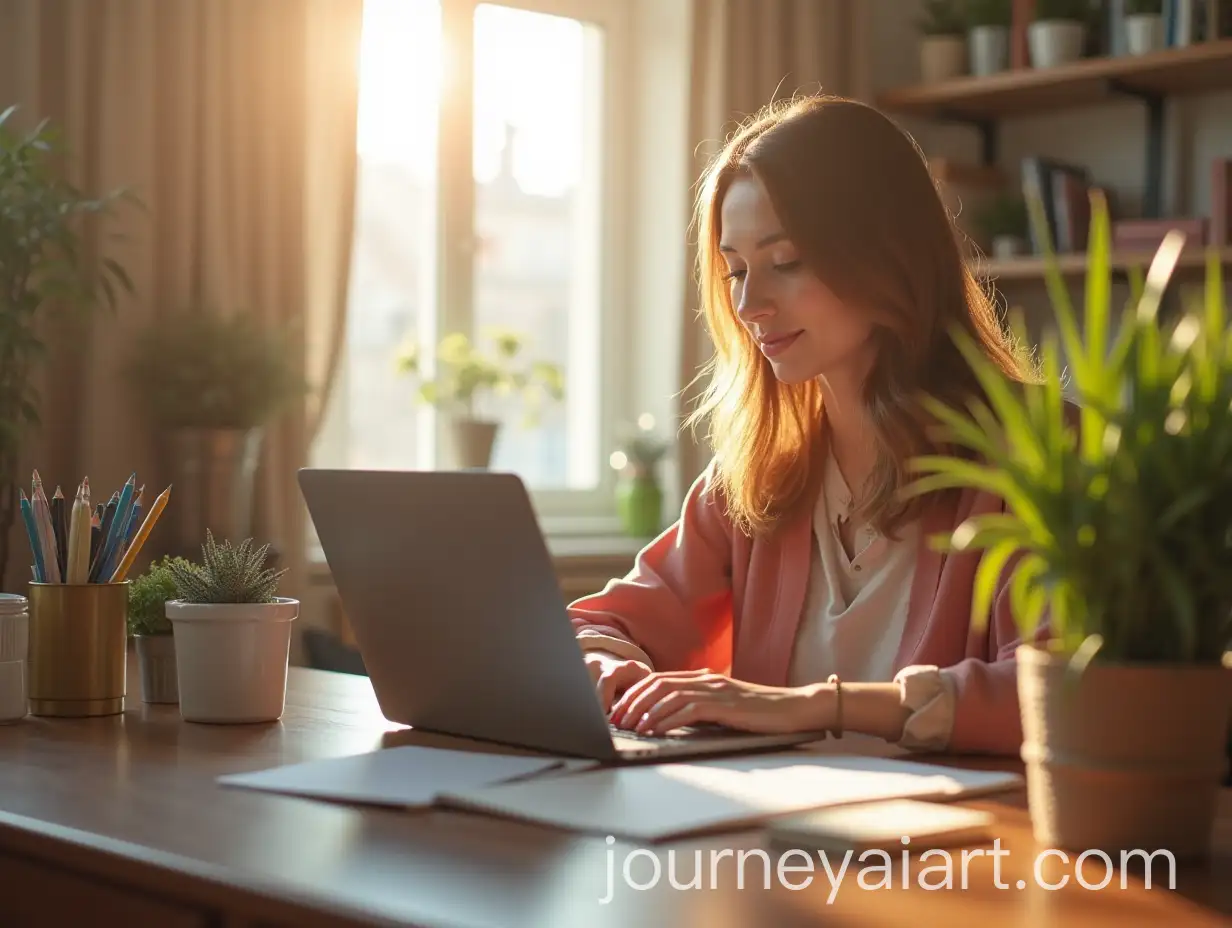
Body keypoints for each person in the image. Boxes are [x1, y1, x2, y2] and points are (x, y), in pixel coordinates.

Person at [568, 93, 1046, 757]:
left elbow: (1065, 690)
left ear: (887, 254)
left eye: (785, 263)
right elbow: (606, 622)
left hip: (962, 853)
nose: (747, 303)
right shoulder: (759, 473)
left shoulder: (1039, 455)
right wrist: (608, 669)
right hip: (780, 848)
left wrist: (816, 705)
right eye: (735, 270)